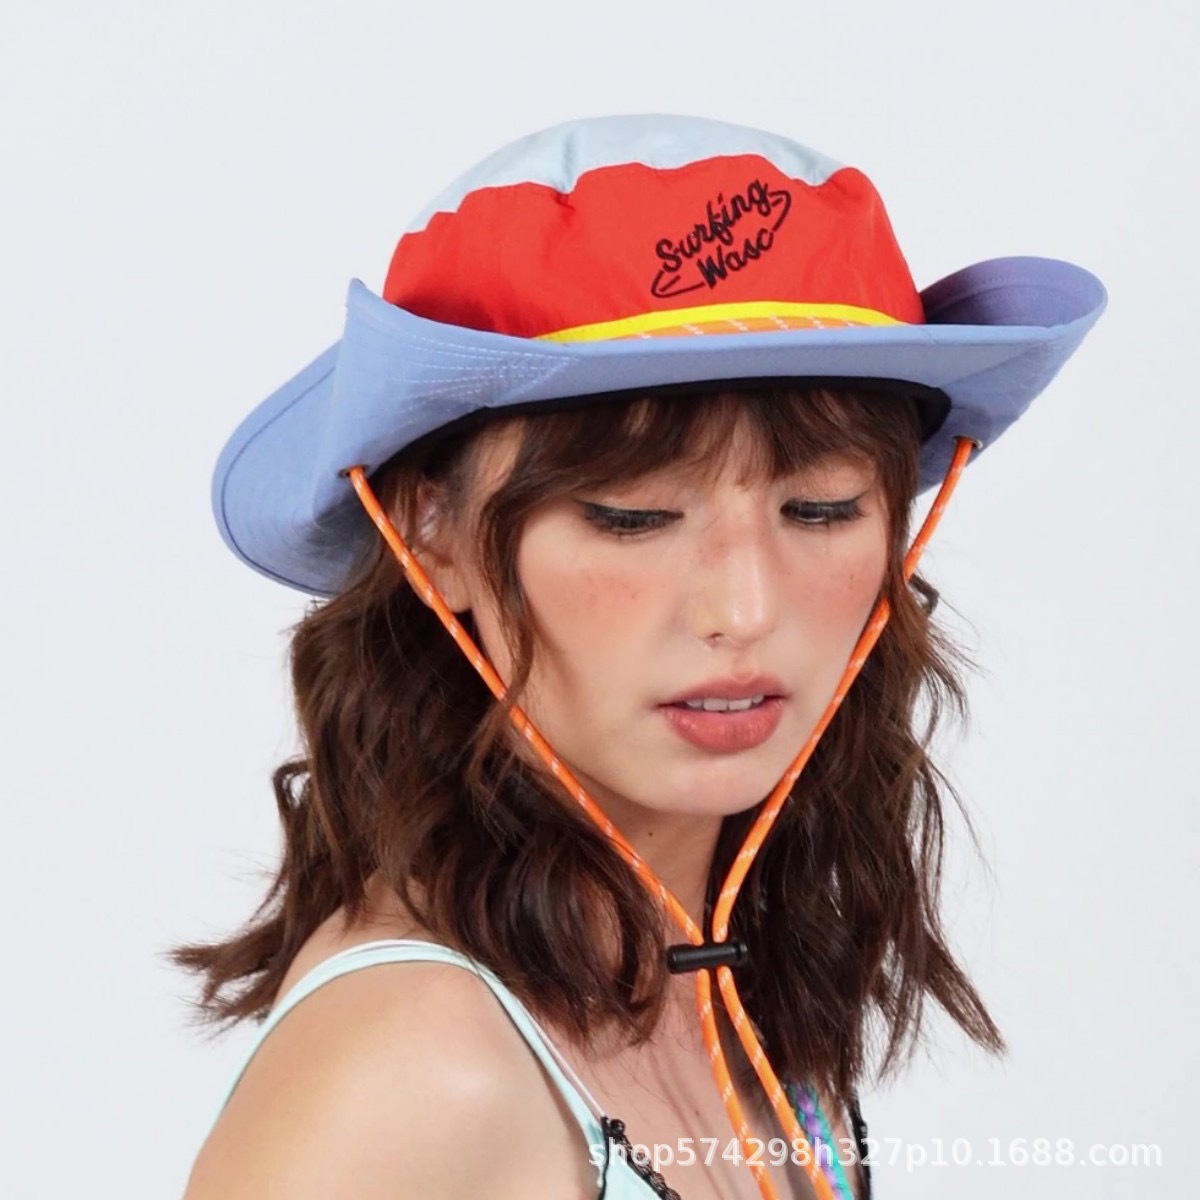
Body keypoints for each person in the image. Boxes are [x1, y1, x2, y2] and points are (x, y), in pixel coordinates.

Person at [174, 114, 1106, 1200]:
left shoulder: (735, 991)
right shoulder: (420, 1069)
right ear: (432, 530)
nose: (745, 610)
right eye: (633, 516)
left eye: (821, 508)